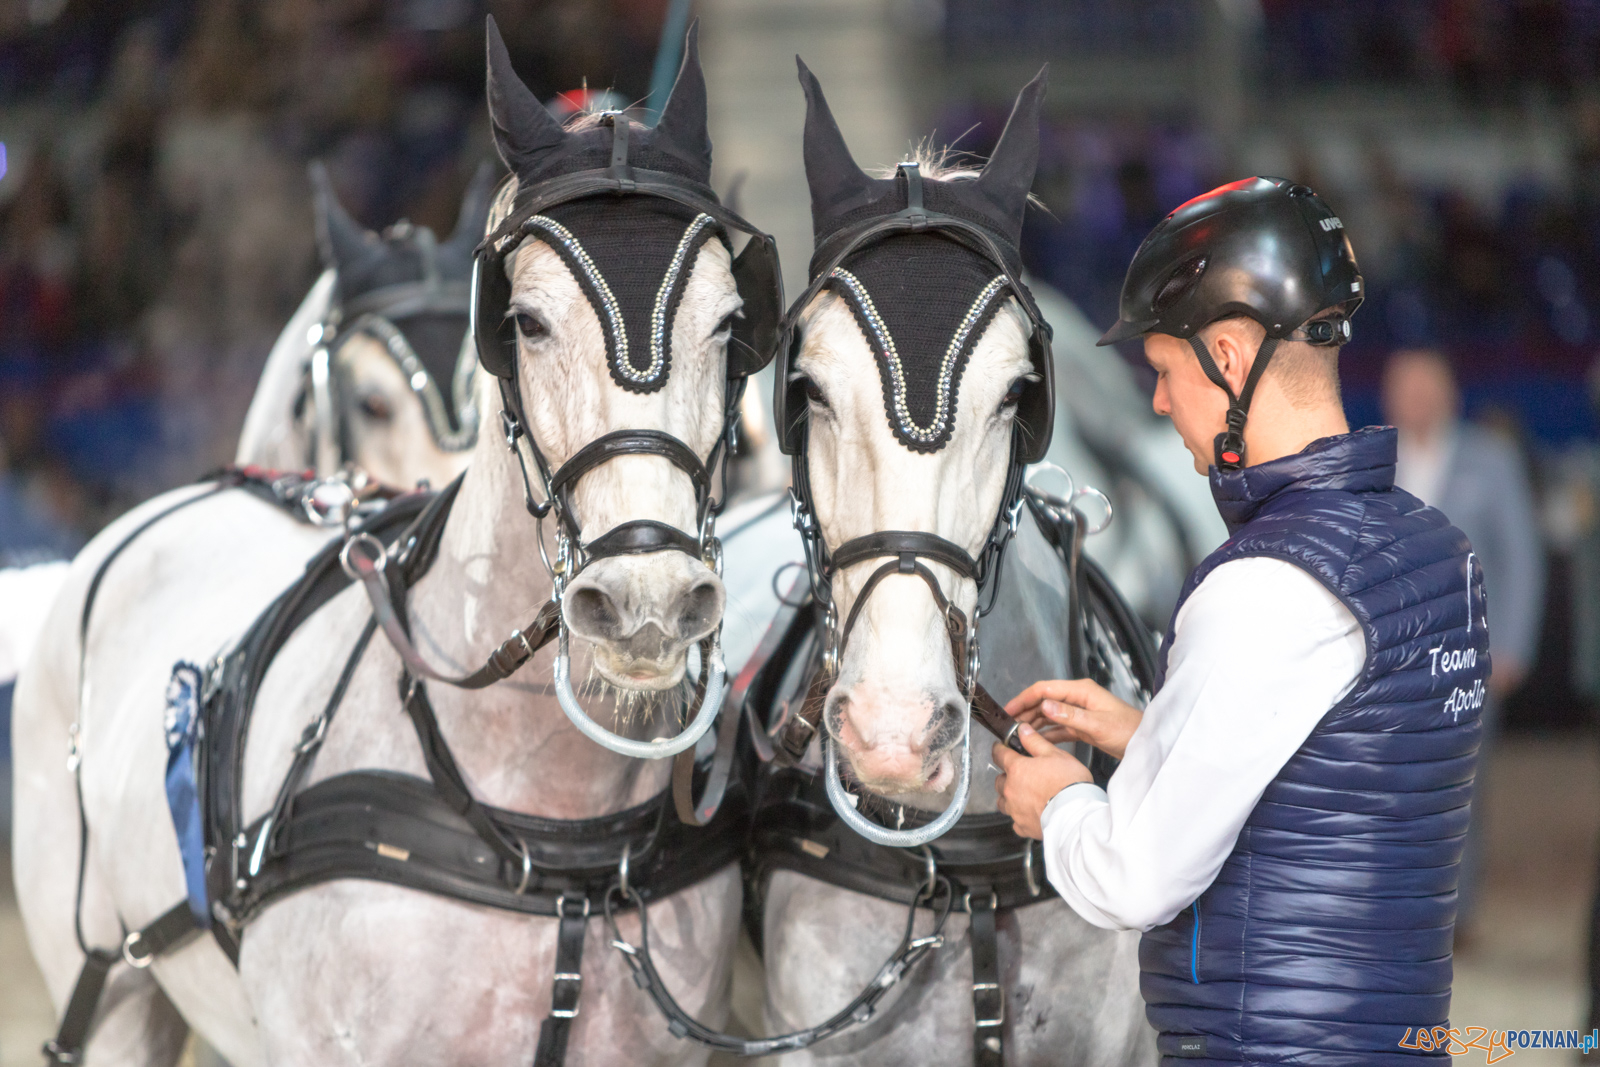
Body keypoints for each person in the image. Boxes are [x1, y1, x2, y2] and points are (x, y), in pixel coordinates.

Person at [993, 177, 1487, 1065]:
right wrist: (1151, 735)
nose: (1156, 403)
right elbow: (1342, 782)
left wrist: (1061, 801)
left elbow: (1134, 877)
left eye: (1162, 370)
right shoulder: (1438, 554)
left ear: (1226, 355)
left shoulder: (1264, 585)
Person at [1381, 346, 1543, 940]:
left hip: (1469, 655)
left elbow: (1521, 557)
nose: (1417, 399)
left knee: (1461, 786)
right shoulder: (1377, 461)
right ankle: (1399, 901)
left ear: (1449, 393)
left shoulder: (1490, 458)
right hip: (1391, 662)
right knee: (1392, 782)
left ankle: (1456, 911)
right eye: (1405, 387)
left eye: (1427, 386)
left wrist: (1514, 642)